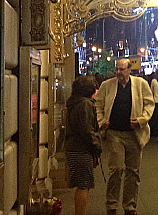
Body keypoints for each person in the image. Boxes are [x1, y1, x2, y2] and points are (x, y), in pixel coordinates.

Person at [95, 58, 155, 215]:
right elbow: (98, 105)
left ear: (129, 69)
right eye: (117, 69)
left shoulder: (140, 84)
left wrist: (142, 119)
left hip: (134, 134)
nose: (118, 72)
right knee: (116, 169)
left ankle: (130, 206)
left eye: (122, 69)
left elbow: (149, 104)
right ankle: (112, 205)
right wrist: (101, 121)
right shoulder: (106, 85)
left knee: (133, 171)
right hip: (114, 133)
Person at [65, 75, 101, 215]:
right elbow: (86, 129)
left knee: (81, 184)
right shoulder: (85, 104)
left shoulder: (74, 102)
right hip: (81, 149)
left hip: (73, 148)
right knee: (84, 185)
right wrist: (96, 145)